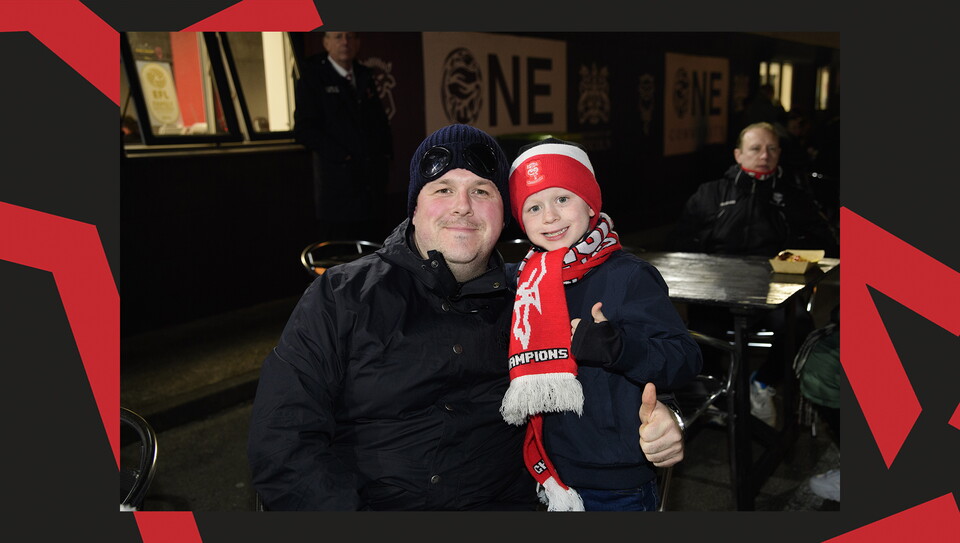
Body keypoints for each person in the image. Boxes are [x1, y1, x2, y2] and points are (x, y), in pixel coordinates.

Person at [247, 124, 686, 511]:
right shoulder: (342, 296)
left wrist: (662, 414)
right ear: (414, 208)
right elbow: (284, 440)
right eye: (442, 190)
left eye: (481, 190)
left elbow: (622, 359)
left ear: (502, 215)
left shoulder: (534, 297)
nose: (462, 206)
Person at [500, 138, 703, 511]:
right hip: (543, 472)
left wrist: (618, 346)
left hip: (614, 481)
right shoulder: (525, 281)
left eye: (563, 198)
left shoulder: (629, 276)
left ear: (590, 202)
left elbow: (685, 357)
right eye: (534, 206)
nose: (550, 217)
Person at [670, 122, 838, 426]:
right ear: (738, 154)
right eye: (756, 148)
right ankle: (718, 394)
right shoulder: (710, 193)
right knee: (700, 330)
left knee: (800, 325)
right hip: (718, 292)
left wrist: (794, 252)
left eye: (772, 148)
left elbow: (826, 243)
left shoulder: (794, 197)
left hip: (775, 290)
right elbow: (682, 242)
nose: (765, 155)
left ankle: (761, 382)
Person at [293, 31, 393, 242]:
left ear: (358, 42)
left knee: (373, 256)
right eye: (338, 36)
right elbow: (304, 130)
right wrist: (342, 157)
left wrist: (385, 158)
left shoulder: (364, 74)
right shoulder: (312, 77)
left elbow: (379, 124)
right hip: (337, 190)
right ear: (326, 42)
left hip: (371, 190)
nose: (345, 42)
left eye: (351, 36)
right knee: (340, 257)